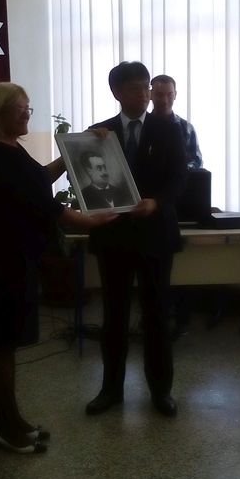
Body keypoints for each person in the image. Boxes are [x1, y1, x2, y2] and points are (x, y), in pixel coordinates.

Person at [0, 82, 116, 455]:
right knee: (2, 344)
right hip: (0, 263)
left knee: (7, 344)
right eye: (20, 108)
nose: (27, 114)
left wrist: (74, 150)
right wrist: (88, 220)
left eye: (28, 108)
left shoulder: (10, 148)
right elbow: (43, 205)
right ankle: (5, 429)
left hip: (17, 259)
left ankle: (12, 420)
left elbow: (38, 181)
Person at [85, 61, 188, 417]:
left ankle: (161, 391)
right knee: (114, 315)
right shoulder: (99, 133)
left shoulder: (169, 129)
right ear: (117, 92)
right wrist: (90, 146)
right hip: (114, 236)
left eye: (147, 87)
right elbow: (86, 179)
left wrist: (156, 202)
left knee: (157, 314)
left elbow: (180, 178)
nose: (145, 95)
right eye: (135, 89)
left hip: (155, 235)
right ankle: (110, 390)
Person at [150, 74, 203, 169]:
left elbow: (196, 161)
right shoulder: (143, 125)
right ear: (150, 95)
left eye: (169, 95)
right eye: (159, 95)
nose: (165, 100)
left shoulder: (187, 128)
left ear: (175, 95)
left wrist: (180, 169)